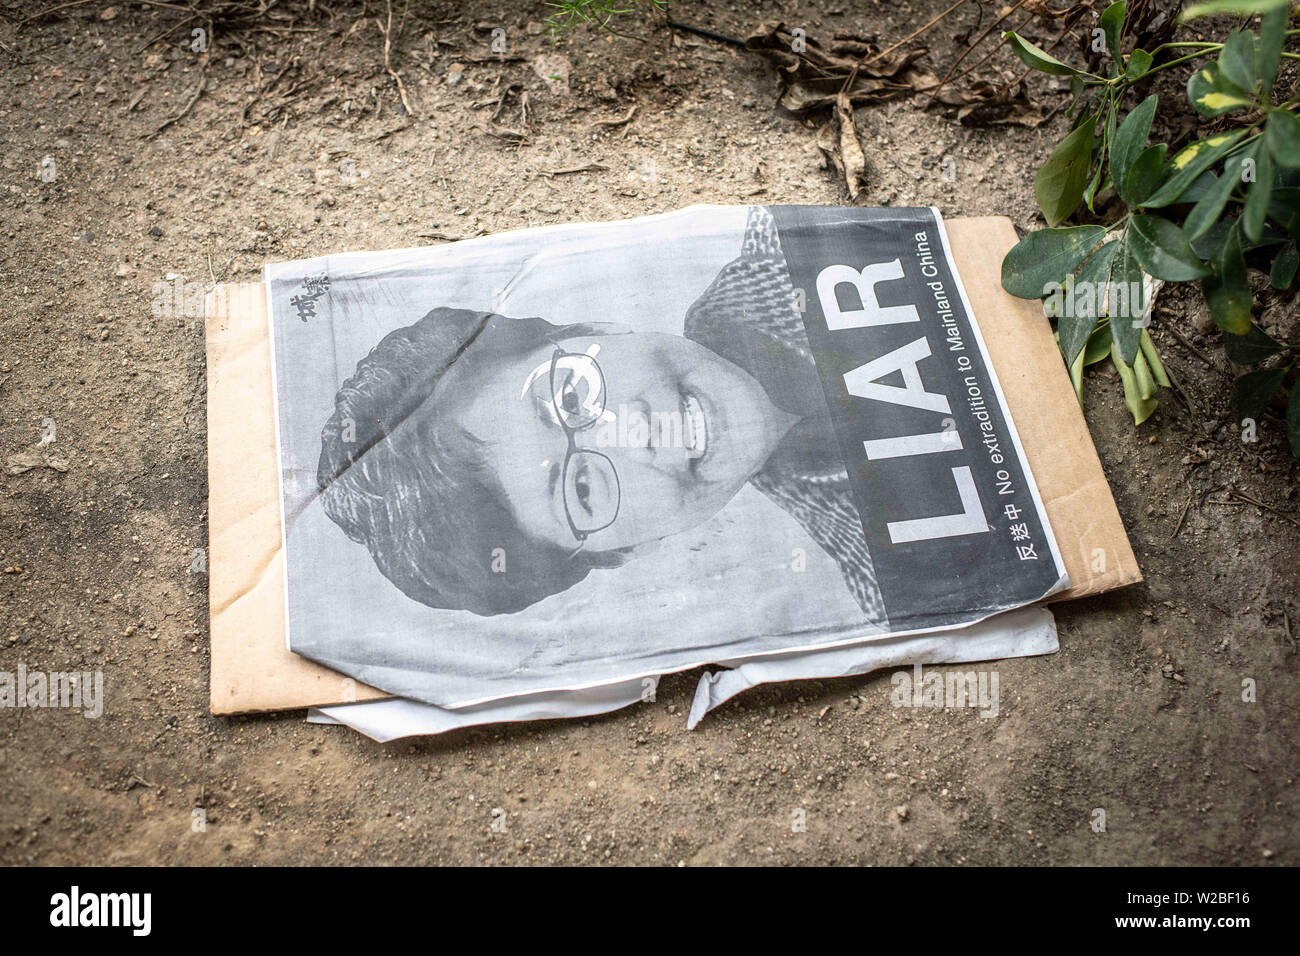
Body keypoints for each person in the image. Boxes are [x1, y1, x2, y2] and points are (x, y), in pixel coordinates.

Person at [318, 207, 886, 624]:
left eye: (570, 398)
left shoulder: (810, 232)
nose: (629, 432)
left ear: (595, 330)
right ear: (633, 550)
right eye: (583, 489)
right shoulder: (884, 572)